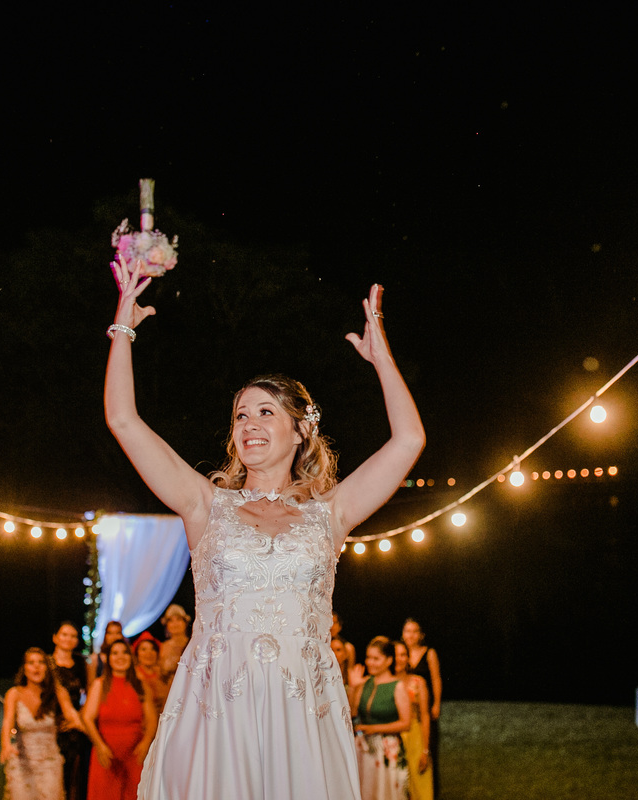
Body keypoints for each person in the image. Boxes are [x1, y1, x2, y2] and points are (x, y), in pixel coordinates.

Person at [104, 261, 425, 799]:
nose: (249, 424)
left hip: (301, 710)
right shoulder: (205, 505)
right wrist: (122, 328)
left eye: (265, 412)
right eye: (240, 416)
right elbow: (122, 420)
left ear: (301, 429)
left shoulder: (332, 513)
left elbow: (409, 441)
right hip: (215, 709)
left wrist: (381, 358)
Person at [1, 647, 85, 800]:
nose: (36, 666)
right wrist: (6, 744)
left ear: (46, 668)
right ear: (24, 668)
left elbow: (72, 715)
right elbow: (7, 721)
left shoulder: (57, 692)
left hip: (49, 763)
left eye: (41, 662)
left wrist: (77, 723)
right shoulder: (14, 693)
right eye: (31, 663)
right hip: (22, 762)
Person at [80, 640, 156, 800]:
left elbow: (152, 719)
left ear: (131, 657)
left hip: (135, 755)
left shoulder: (140, 684)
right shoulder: (99, 684)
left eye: (124, 652)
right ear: (108, 658)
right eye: (115, 653)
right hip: (106, 755)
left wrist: (146, 742)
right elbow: (87, 718)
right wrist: (99, 745)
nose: (120, 657)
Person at [349, 637, 412, 800]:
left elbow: (406, 724)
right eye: (368, 657)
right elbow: (352, 713)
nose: (370, 662)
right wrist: (354, 688)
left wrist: (374, 729)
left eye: (376, 658)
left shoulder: (397, 687)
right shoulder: (365, 682)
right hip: (365, 749)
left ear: (389, 660)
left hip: (386, 750)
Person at [401, 618, 442, 797]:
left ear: (421, 635)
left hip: (424, 707)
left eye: (414, 631)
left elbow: (436, 678)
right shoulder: (399, 654)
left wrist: (436, 704)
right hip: (406, 709)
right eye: (407, 631)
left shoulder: (429, 653)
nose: (410, 635)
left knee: (428, 748)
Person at [50, 623, 89, 800]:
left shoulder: (81, 663)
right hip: (55, 725)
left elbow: (88, 692)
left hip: (79, 724)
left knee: (78, 776)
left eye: (73, 636)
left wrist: (79, 718)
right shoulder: (48, 663)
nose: (68, 639)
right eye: (64, 634)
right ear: (55, 638)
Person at [393, 641, 432, 800]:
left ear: (408, 658)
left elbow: (424, 716)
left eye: (403, 655)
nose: (399, 659)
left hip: (414, 737)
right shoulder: (382, 683)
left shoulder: (418, 682)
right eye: (395, 654)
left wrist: (425, 750)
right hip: (392, 738)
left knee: (419, 788)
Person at [131, 633, 168, 716]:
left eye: (153, 649)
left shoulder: (163, 676)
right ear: (137, 654)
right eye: (143, 649)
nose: (149, 653)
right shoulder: (134, 677)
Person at [155, 606, 190, 685]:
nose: (175, 624)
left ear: (185, 623)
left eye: (178, 619)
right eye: (171, 621)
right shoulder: (162, 647)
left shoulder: (192, 644)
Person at [86, 621, 126, 687]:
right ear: (105, 635)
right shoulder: (96, 658)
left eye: (117, 633)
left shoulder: (127, 657)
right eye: (110, 633)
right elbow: (90, 685)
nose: (114, 637)